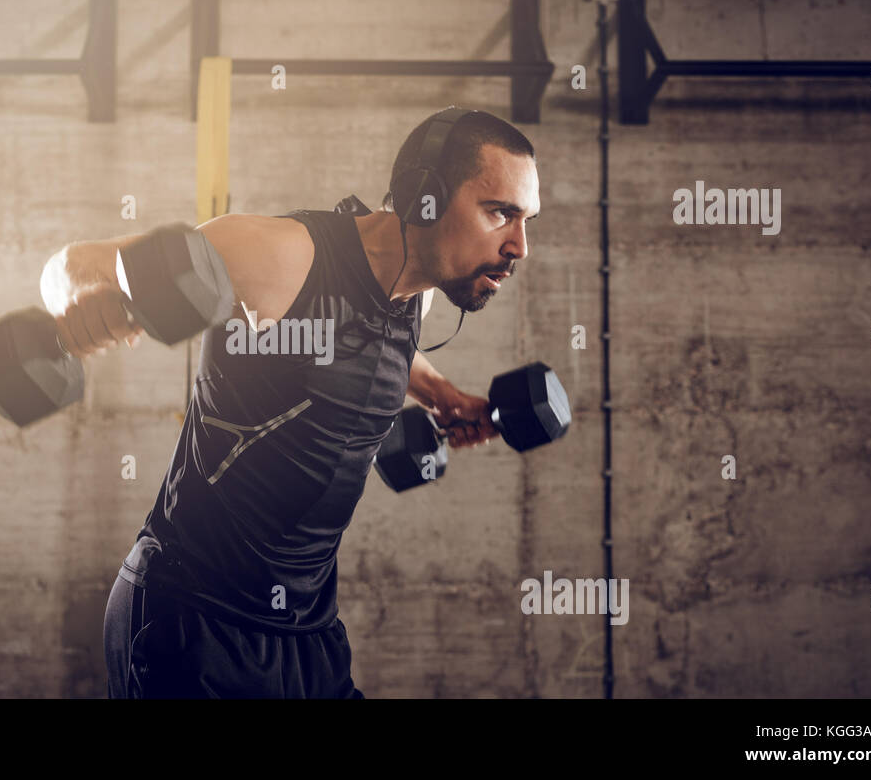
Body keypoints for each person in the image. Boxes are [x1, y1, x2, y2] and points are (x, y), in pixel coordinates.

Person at [42, 108, 540, 698]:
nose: (520, 246)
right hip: (193, 621)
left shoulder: (415, 299)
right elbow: (70, 264)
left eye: (526, 219)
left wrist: (440, 393)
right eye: (499, 212)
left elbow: (365, 341)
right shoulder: (281, 257)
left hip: (307, 635)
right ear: (423, 197)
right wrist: (78, 295)